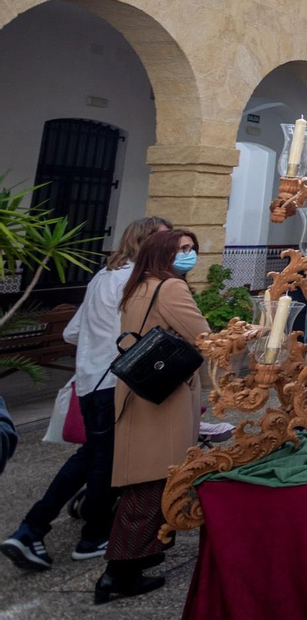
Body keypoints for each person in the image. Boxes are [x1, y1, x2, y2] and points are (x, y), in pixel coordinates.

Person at [3, 216, 168, 573]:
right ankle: (90, 537)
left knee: (91, 457)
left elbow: (72, 333)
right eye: (164, 241)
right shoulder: (137, 282)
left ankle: (32, 529)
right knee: (107, 462)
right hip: (117, 383)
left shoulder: (103, 277)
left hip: (90, 380)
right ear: (143, 242)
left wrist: (97, 345)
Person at [98, 229, 210, 604]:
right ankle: (118, 573)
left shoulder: (138, 285)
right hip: (164, 396)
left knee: (144, 480)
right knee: (153, 483)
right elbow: (203, 336)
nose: (189, 254)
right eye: (182, 249)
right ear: (162, 254)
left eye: (192, 248)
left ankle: (139, 557)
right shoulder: (171, 287)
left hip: (140, 390)